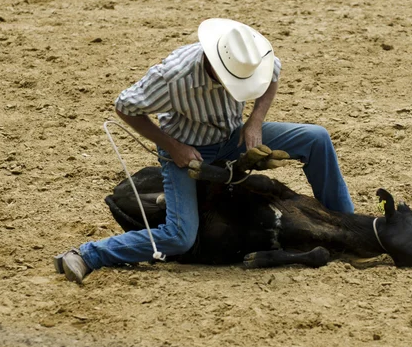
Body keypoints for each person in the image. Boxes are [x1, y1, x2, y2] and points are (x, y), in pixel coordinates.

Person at [53, 18, 354, 283]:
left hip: (233, 136)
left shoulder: (252, 56)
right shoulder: (173, 77)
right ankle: (89, 254)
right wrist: (174, 147)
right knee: (179, 236)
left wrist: (255, 122)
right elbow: (125, 106)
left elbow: (273, 73)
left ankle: (350, 231)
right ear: (215, 64)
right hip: (187, 150)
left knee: (317, 138)